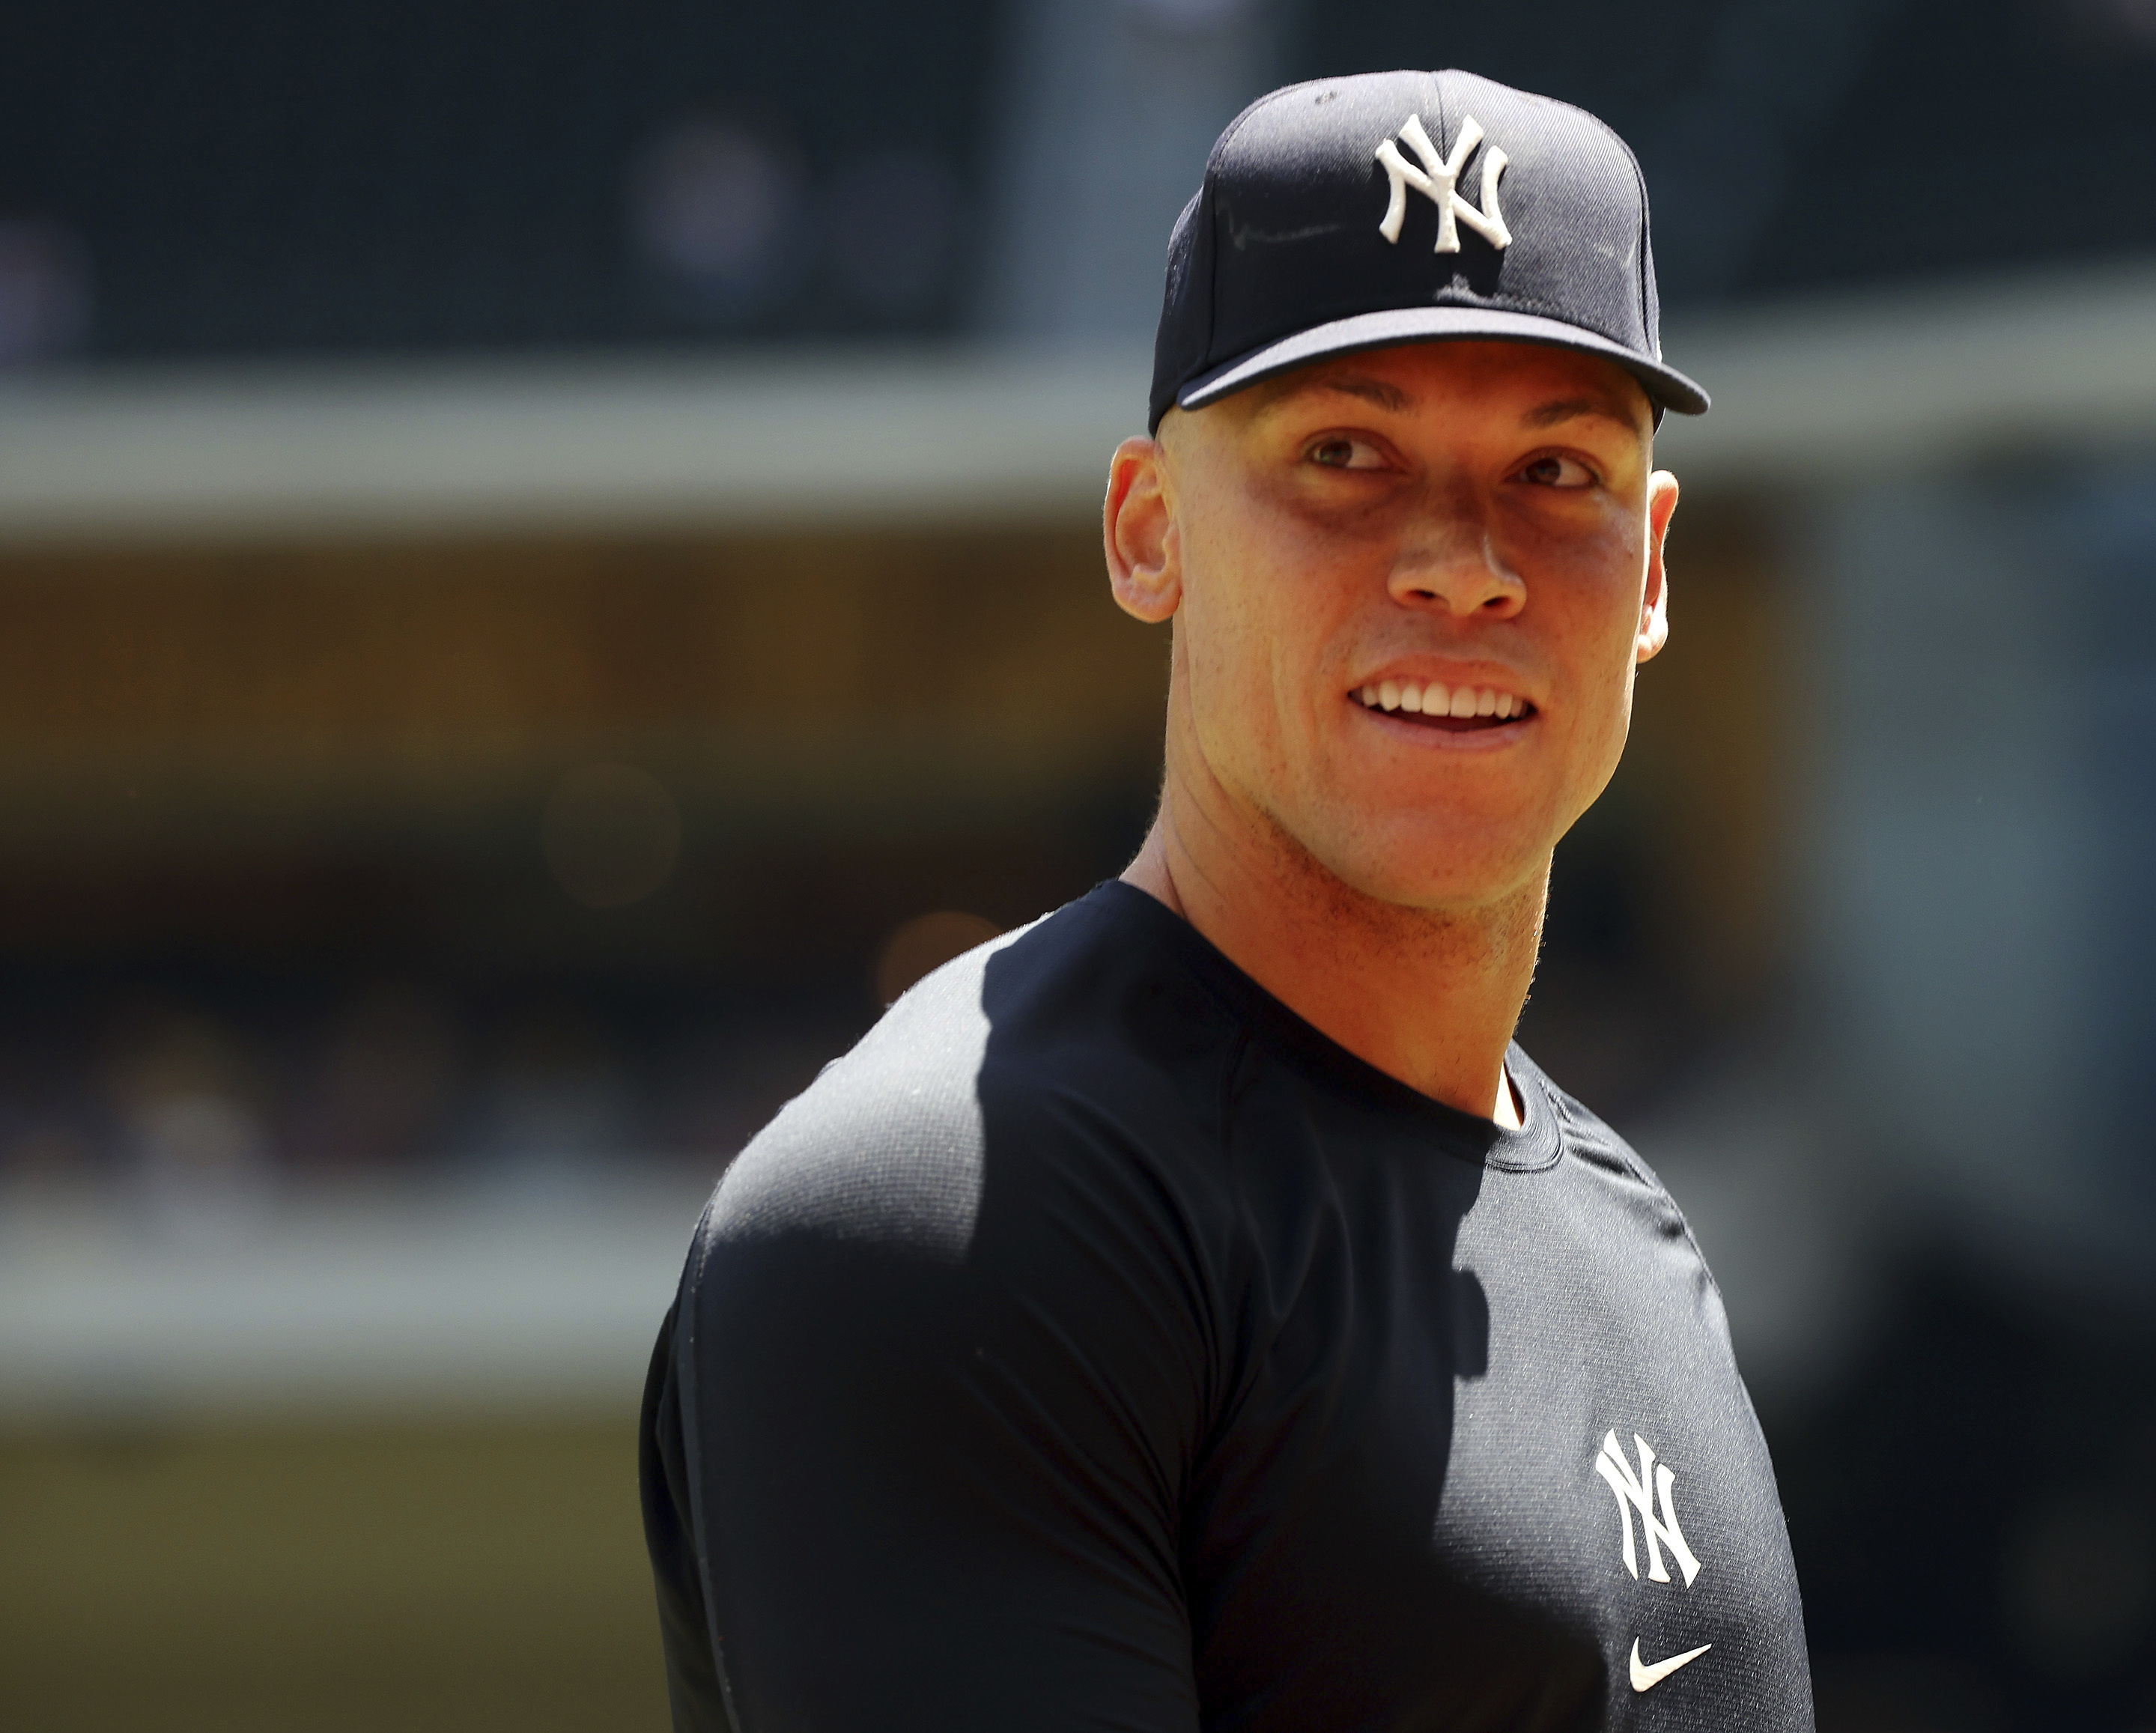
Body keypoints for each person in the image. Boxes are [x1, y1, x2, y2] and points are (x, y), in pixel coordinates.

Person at [641, 67, 1813, 1732]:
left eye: (1555, 471)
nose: (1462, 559)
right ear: (1146, 530)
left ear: (1651, 570)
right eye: (1343, 451)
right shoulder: (950, 1204)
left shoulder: (1625, 1230)